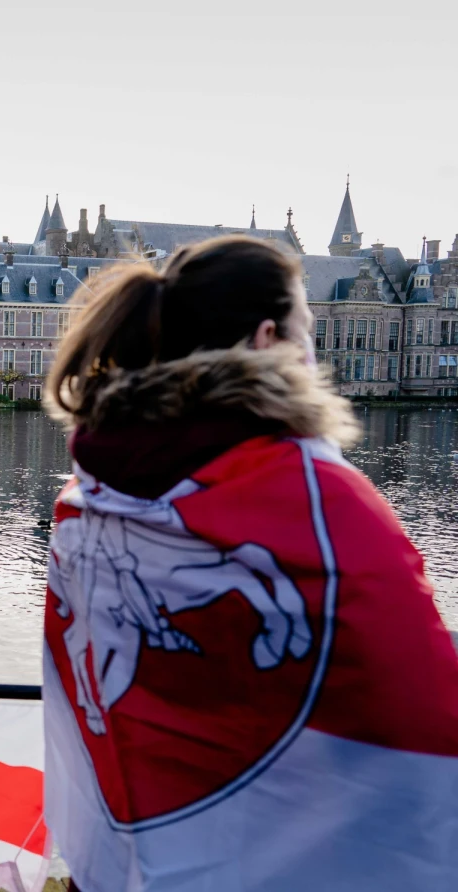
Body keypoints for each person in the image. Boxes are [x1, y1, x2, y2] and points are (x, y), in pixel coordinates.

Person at [41, 236, 458, 891]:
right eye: (307, 331)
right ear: (269, 340)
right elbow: (423, 700)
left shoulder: (87, 500)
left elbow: (98, 696)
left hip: (130, 862)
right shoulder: (320, 501)